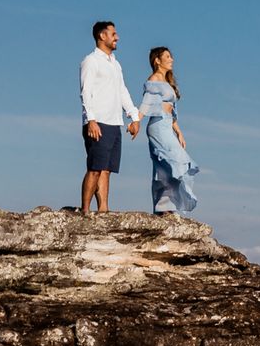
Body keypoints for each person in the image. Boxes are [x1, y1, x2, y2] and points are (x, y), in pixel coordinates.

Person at [79, 21, 141, 214]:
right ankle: (85, 211)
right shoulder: (91, 61)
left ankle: (103, 210)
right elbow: (85, 91)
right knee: (95, 168)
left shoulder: (115, 64)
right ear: (102, 36)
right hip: (98, 122)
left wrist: (134, 116)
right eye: (113, 34)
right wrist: (91, 120)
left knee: (106, 169)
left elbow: (122, 91)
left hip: (114, 123)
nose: (117, 37)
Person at [140, 46, 200, 214]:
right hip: (157, 125)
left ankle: (167, 207)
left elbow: (171, 111)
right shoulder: (154, 79)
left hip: (167, 125)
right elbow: (146, 103)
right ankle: (163, 207)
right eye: (167, 56)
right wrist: (136, 121)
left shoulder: (167, 82)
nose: (171, 59)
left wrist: (178, 131)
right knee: (173, 163)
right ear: (157, 60)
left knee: (167, 167)